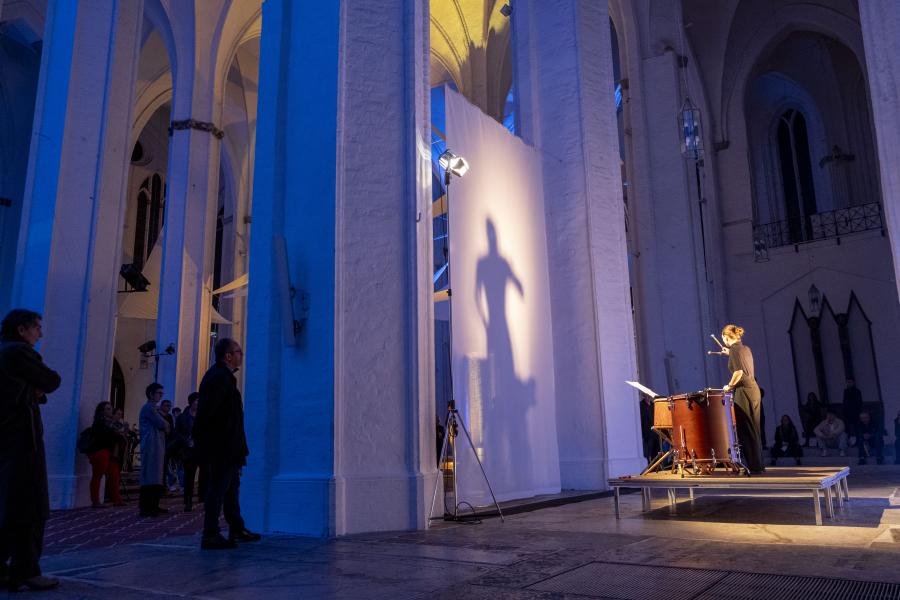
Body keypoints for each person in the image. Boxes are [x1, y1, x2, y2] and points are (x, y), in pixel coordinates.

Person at [0, 309, 62, 592]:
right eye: (37, 327)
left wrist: (32, 389)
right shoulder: (19, 352)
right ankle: (26, 569)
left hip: (7, 439)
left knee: (8, 503)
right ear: (22, 329)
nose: (41, 333)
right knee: (32, 506)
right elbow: (51, 380)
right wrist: (35, 388)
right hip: (23, 439)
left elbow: (37, 390)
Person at [194, 338, 260, 549]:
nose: (241, 354)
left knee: (231, 488)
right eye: (238, 351)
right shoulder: (219, 378)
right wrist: (212, 443)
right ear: (228, 356)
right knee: (218, 489)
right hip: (222, 446)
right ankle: (210, 534)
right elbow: (208, 414)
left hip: (230, 445)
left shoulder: (224, 377)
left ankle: (236, 527)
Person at [721, 324, 764, 473]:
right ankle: (758, 465)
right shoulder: (745, 349)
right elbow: (743, 364)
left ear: (726, 337)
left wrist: (729, 386)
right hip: (754, 389)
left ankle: (753, 466)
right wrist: (729, 354)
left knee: (745, 429)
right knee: (754, 428)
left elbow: (739, 372)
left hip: (743, 391)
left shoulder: (734, 350)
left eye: (724, 339)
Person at [139, 383, 170, 517]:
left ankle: (154, 505)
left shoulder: (154, 409)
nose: (160, 396)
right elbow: (162, 423)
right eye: (158, 393)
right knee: (150, 476)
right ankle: (146, 507)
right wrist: (165, 424)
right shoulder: (148, 408)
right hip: (151, 445)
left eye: (161, 394)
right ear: (151, 394)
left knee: (157, 476)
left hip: (158, 445)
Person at [86, 401, 123, 508]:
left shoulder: (111, 423)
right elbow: (104, 437)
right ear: (102, 411)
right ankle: (95, 501)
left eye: (111, 408)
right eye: (107, 409)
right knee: (97, 475)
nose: (110, 410)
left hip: (110, 453)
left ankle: (117, 499)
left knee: (114, 475)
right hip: (100, 451)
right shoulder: (100, 423)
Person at [176, 392, 205, 512]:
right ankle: (188, 500)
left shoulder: (203, 415)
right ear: (191, 402)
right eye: (196, 401)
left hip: (201, 448)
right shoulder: (182, 417)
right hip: (188, 450)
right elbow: (177, 433)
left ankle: (202, 496)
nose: (198, 404)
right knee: (189, 476)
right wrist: (186, 441)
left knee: (204, 473)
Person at [160, 399, 179, 492]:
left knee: (166, 467)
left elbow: (171, 430)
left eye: (169, 406)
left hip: (168, 444)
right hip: (159, 443)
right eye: (166, 405)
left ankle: (165, 485)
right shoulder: (158, 415)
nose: (168, 407)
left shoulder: (170, 417)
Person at [639, 395, 660, 464]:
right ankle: (648, 465)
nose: (648, 396)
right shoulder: (640, 406)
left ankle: (656, 466)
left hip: (655, 432)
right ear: (643, 396)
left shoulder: (653, 405)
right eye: (646, 395)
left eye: (649, 395)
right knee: (648, 451)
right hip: (647, 433)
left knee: (656, 450)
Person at [842, 379, 863, 444]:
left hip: (855, 411)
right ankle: (847, 441)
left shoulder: (857, 391)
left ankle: (858, 440)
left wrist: (858, 411)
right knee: (847, 428)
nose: (849, 383)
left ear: (853, 383)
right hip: (848, 412)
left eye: (850, 382)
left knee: (856, 427)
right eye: (848, 382)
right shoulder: (845, 391)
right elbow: (844, 402)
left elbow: (859, 402)